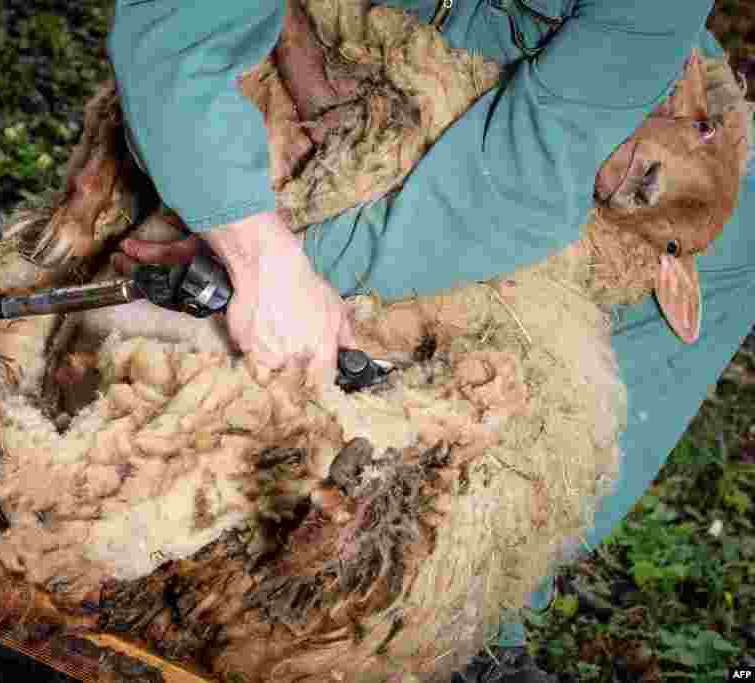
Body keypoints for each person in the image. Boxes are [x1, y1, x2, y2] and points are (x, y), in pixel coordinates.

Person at [107, 1, 755, 680]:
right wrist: (245, 233)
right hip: (381, 15)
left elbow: (521, 174)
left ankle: (475, 592)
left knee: (729, 243)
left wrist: (300, 258)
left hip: (562, 60)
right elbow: (177, 26)